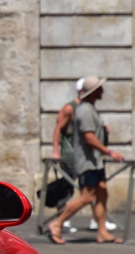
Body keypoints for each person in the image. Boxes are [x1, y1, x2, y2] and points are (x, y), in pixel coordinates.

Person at [48, 76, 124, 244]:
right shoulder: (85, 111)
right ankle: (57, 223)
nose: (103, 91)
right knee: (87, 197)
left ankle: (102, 231)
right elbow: (89, 138)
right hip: (87, 161)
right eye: (100, 88)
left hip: (95, 161)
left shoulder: (90, 109)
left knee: (102, 192)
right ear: (93, 92)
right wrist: (110, 152)